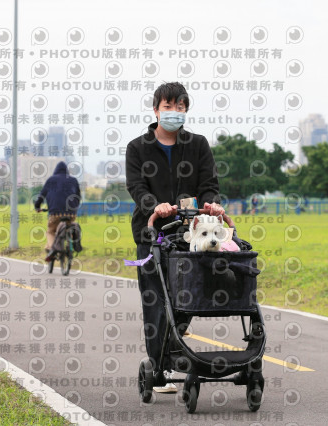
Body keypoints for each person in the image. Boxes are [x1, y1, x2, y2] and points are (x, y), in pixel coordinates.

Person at [125, 82, 225, 393]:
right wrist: (154, 205)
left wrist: (212, 203)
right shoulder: (137, 147)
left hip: (190, 234)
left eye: (180, 107)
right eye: (168, 107)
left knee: (188, 298)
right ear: (156, 110)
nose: (174, 112)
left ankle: (168, 353)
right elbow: (136, 186)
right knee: (156, 300)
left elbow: (209, 183)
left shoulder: (197, 144)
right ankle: (159, 368)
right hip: (152, 233)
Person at [33, 161, 82, 261]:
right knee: (70, 225)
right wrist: (74, 208)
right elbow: (78, 196)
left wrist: (37, 206)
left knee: (51, 231)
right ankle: (70, 245)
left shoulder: (51, 180)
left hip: (55, 213)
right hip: (71, 213)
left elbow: (41, 195)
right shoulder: (73, 180)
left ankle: (52, 250)